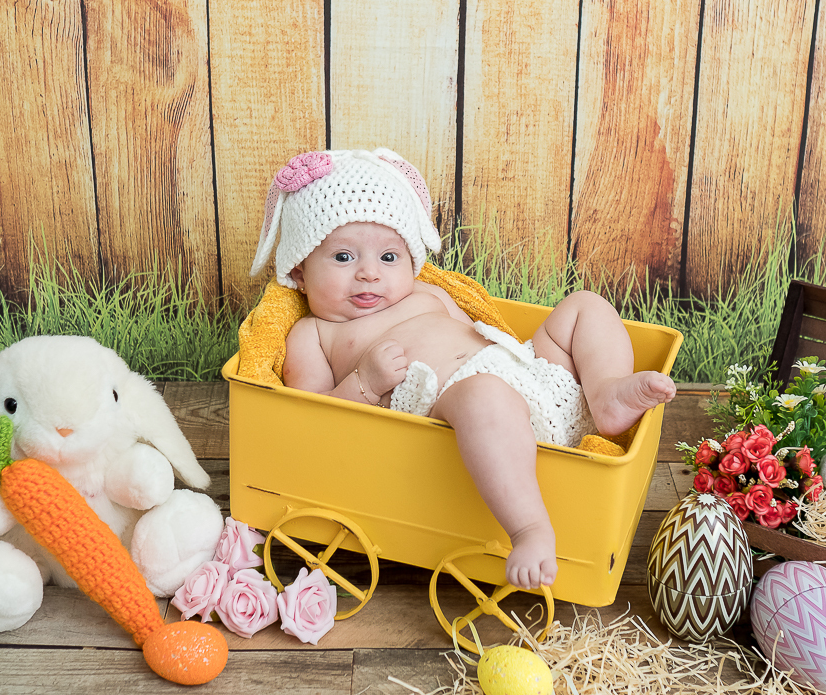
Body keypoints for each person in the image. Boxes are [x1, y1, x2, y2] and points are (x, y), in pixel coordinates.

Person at [249, 148, 676, 590]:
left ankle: (605, 393)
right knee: (482, 394)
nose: (368, 275)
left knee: (582, 306)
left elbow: (484, 332)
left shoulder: (425, 294)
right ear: (299, 272)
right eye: (343, 257)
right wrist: (364, 382)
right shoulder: (313, 334)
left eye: (389, 258)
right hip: (470, 414)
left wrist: (530, 356)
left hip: (529, 376)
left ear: (412, 262)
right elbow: (313, 420)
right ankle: (530, 528)